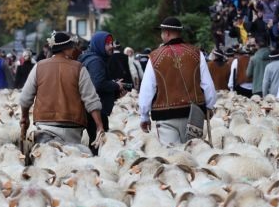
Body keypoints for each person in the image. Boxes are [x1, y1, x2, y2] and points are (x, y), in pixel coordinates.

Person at [139, 17, 217, 146]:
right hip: (194, 115)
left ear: (167, 33)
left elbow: (148, 89)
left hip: (166, 117)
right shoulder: (197, 53)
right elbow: (208, 86)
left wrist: (144, 116)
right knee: (195, 157)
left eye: (162, 32)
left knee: (173, 159)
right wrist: (207, 108)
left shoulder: (154, 57)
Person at [19, 31, 104, 147]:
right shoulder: (78, 68)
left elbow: (25, 98)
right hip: (72, 129)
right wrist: (100, 126)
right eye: (71, 47)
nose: (73, 49)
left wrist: (24, 117)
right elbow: (91, 99)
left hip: (45, 126)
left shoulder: (39, 67)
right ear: (65, 49)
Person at [79, 31, 124, 154]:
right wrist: (116, 85)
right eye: (108, 44)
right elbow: (97, 84)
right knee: (98, 144)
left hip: (92, 109)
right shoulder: (96, 62)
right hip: (96, 112)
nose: (112, 46)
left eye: (112, 43)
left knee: (95, 142)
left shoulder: (92, 58)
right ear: (99, 45)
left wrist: (115, 91)